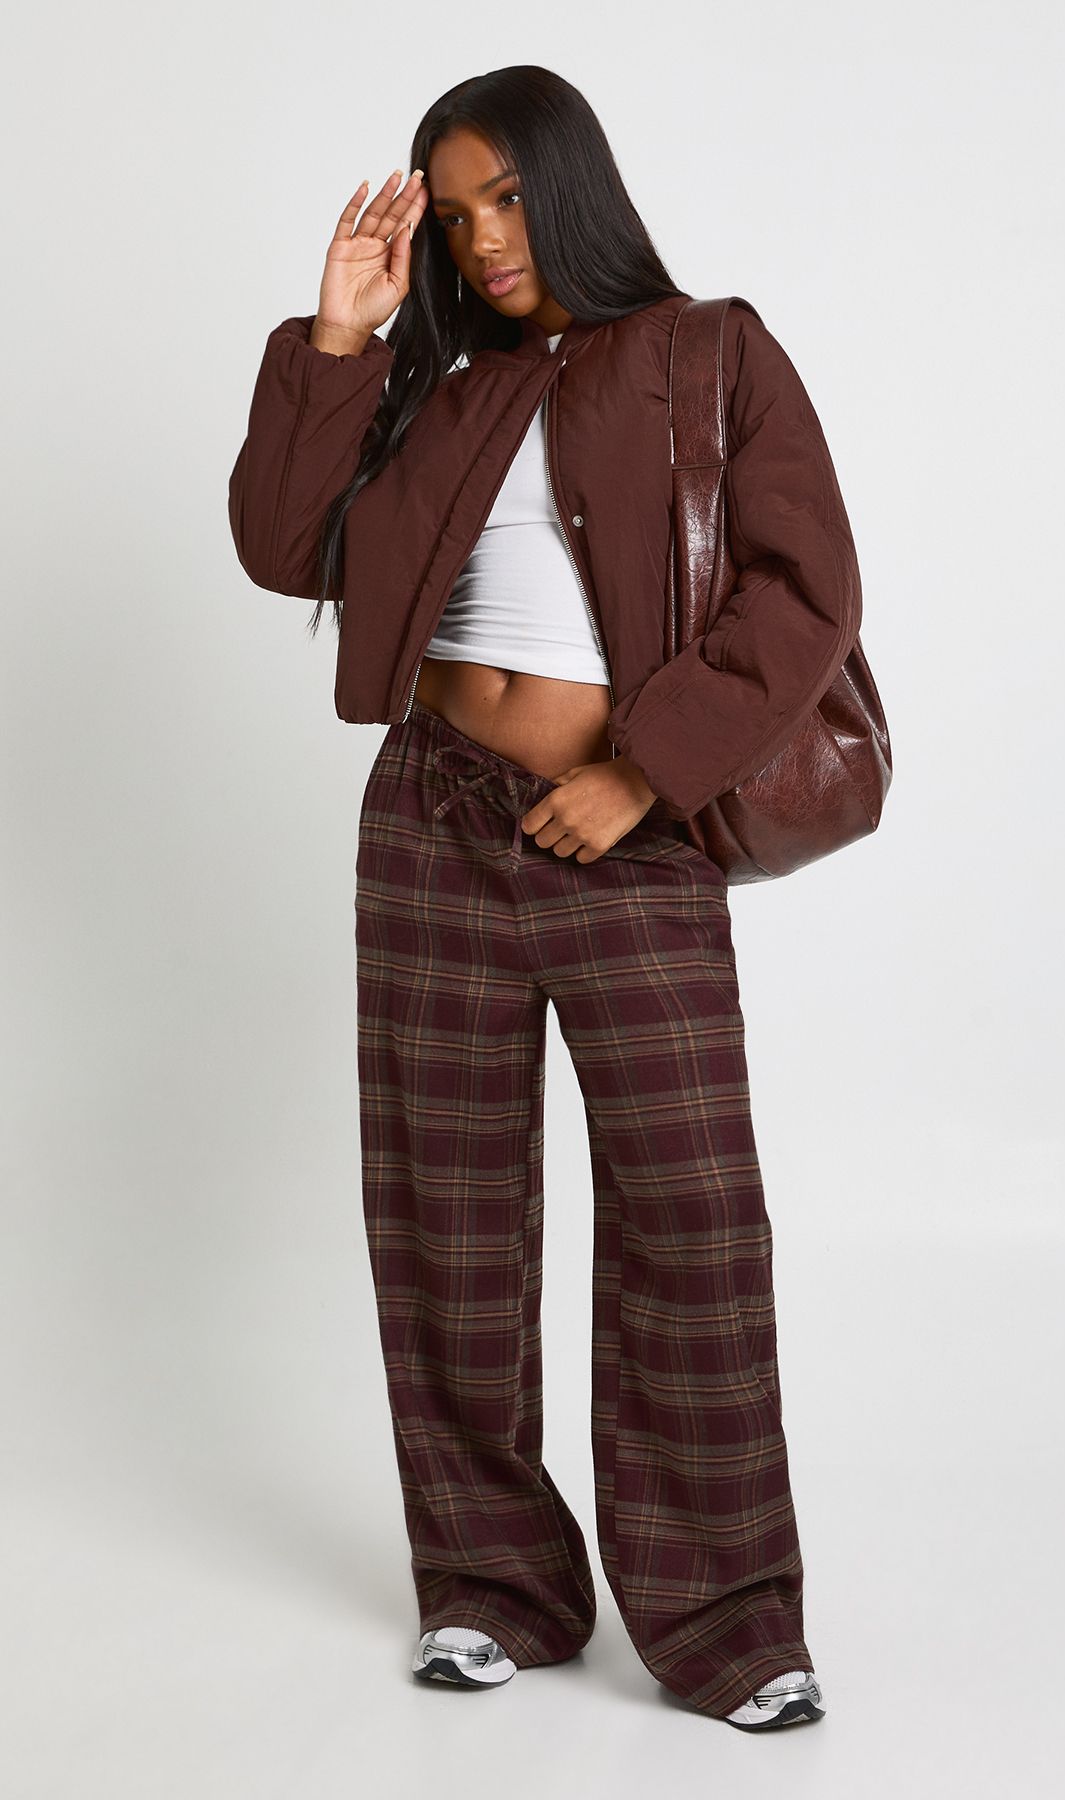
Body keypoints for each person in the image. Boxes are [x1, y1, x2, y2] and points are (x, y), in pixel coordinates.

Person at [228, 64, 863, 1732]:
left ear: (571, 184)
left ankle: (728, 1620)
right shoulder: (436, 391)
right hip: (431, 819)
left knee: (693, 1215)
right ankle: (491, 1586)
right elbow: (282, 546)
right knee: (445, 1213)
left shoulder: (710, 353)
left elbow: (806, 590)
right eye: (454, 216)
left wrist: (648, 770)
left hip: (627, 834)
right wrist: (340, 339)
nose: (484, 239)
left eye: (506, 198)